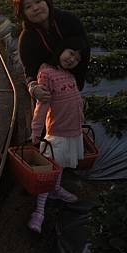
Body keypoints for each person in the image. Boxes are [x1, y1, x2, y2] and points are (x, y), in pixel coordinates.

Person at [26, 37, 86, 233]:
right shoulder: (47, 72)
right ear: (61, 49)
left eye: (77, 59)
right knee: (49, 171)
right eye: (70, 53)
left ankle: (56, 190)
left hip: (73, 132)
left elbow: (76, 102)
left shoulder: (70, 76)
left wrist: (81, 121)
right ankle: (39, 212)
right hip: (57, 133)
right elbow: (41, 106)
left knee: (59, 168)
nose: (72, 59)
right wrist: (36, 132)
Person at [12, 0, 90, 103]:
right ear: (23, 14)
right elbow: (30, 70)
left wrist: (76, 83)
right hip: (47, 93)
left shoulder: (68, 20)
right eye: (28, 7)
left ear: (47, 1)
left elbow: (85, 48)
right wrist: (33, 88)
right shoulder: (27, 39)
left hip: (73, 85)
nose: (35, 8)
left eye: (38, 1)